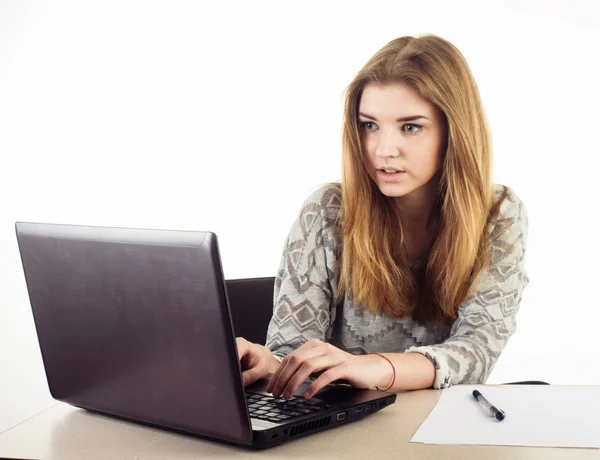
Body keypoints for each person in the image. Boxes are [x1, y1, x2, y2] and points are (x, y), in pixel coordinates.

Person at [236, 34, 528, 401]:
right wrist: (271, 363)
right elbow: (292, 352)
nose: (383, 150)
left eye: (410, 127)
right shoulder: (327, 211)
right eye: (369, 125)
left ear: (454, 132)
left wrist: (375, 366)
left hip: (438, 422)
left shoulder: (497, 214)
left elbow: (476, 352)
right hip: (344, 422)